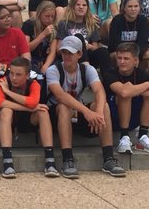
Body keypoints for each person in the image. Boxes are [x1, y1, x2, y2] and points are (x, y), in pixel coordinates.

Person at [46, 36, 126, 179]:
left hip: (77, 112)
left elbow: (99, 91)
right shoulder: (54, 69)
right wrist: (87, 112)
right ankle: (67, 159)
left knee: (103, 105)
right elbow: (60, 96)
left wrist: (99, 112)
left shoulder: (87, 69)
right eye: (64, 52)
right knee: (65, 106)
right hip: (55, 114)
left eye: (70, 53)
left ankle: (108, 158)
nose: (67, 56)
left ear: (79, 54)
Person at [102, 42, 149, 155]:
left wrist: (138, 91)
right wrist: (146, 85)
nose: (122, 62)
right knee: (125, 95)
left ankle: (143, 136)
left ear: (135, 61)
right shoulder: (110, 73)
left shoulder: (141, 74)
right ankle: (124, 138)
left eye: (126, 58)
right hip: (112, 118)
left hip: (134, 118)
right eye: (119, 58)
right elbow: (123, 92)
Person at [0, 57, 56, 178]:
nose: (13, 78)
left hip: (25, 120)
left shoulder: (33, 84)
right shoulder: (3, 81)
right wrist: (28, 108)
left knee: (43, 111)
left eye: (18, 74)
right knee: (6, 111)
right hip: (6, 120)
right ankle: (7, 161)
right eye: (11, 73)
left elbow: (33, 102)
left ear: (27, 75)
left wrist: (8, 92)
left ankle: (50, 160)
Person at [107, 0, 149, 85]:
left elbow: (144, 43)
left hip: (137, 54)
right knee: (121, 55)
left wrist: (137, 54)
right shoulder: (117, 20)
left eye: (136, 6)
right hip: (119, 54)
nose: (133, 9)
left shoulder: (143, 20)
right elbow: (113, 45)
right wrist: (134, 54)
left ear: (140, 8)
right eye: (130, 6)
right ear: (124, 8)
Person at [57, 0, 109, 70]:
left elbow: (96, 48)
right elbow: (58, 49)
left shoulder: (91, 24)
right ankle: (85, 67)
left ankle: (108, 78)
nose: (81, 7)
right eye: (78, 5)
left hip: (89, 55)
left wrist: (89, 46)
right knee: (78, 37)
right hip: (70, 56)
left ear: (87, 8)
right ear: (72, 7)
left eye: (84, 5)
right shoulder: (64, 24)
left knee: (103, 51)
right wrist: (71, 47)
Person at [21, 1, 58, 77]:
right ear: (40, 14)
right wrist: (43, 34)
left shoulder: (53, 28)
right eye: (47, 16)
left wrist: (45, 67)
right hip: (31, 58)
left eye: (52, 16)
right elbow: (26, 48)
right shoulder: (29, 25)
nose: (50, 19)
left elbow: (52, 52)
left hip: (45, 59)